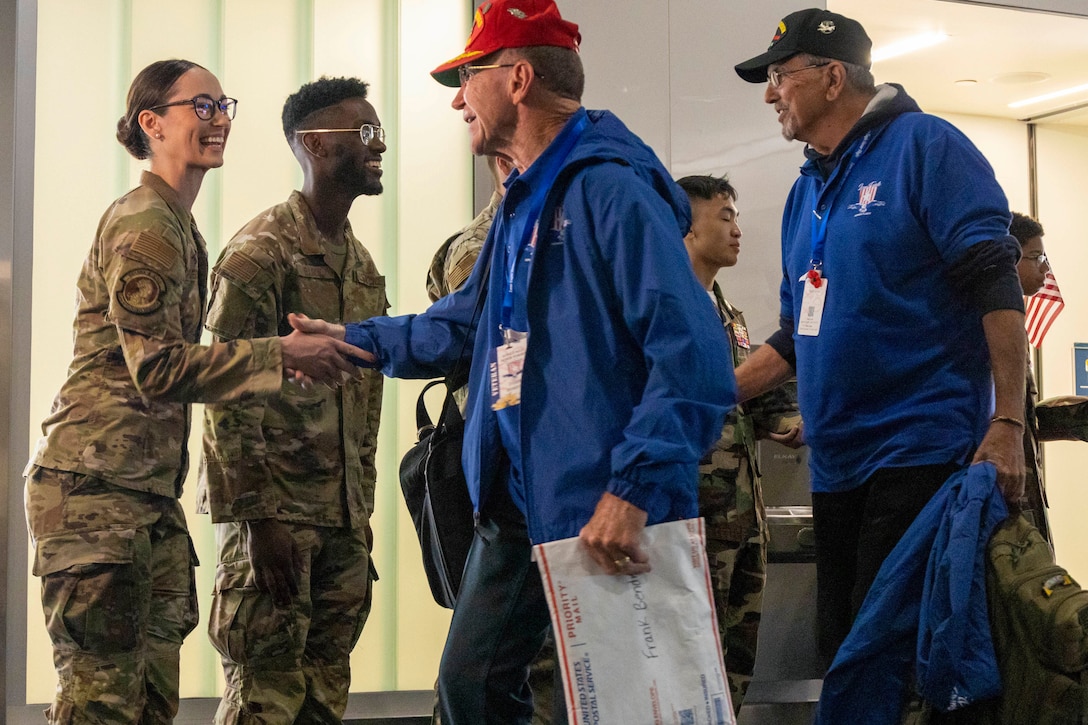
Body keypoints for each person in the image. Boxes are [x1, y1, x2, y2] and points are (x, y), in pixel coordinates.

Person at [293, 1, 734, 722]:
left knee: (634, 709)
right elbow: (461, 326)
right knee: (472, 687)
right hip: (517, 503)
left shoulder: (607, 190)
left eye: (469, 79)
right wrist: (351, 341)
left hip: (602, 508)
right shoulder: (524, 203)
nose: (460, 99)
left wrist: (633, 487)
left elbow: (696, 357)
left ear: (519, 78)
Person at [22, 59, 365, 724]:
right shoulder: (146, 224)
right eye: (201, 106)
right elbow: (156, 369)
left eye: (223, 104)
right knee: (101, 702)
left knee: (146, 703)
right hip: (95, 496)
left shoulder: (178, 224)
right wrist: (280, 354)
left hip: (141, 496)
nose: (220, 119)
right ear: (152, 124)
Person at [732, 8, 1027, 669]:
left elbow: (994, 282)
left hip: (919, 452)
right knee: (841, 656)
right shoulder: (804, 191)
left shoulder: (926, 146)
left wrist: (1008, 418)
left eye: (781, 75)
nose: (770, 92)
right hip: (838, 469)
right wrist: (711, 392)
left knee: (894, 670)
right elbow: (792, 335)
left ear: (832, 77)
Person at [198, 76, 388, 723]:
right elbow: (223, 392)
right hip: (275, 527)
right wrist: (257, 520)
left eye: (378, 130)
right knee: (262, 699)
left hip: (340, 530)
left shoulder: (362, 269)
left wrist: (359, 517)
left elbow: (366, 405)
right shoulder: (260, 254)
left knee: (322, 705)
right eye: (362, 132)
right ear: (312, 143)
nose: (379, 143)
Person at [676, 173, 803, 712]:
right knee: (688, 663)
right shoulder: (664, 310)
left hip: (743, 518)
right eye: (723, 216)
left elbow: (765, 407)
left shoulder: (727, 315)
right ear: (684, 225)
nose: (736, 229)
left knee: (734, 664)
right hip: (690, 519)